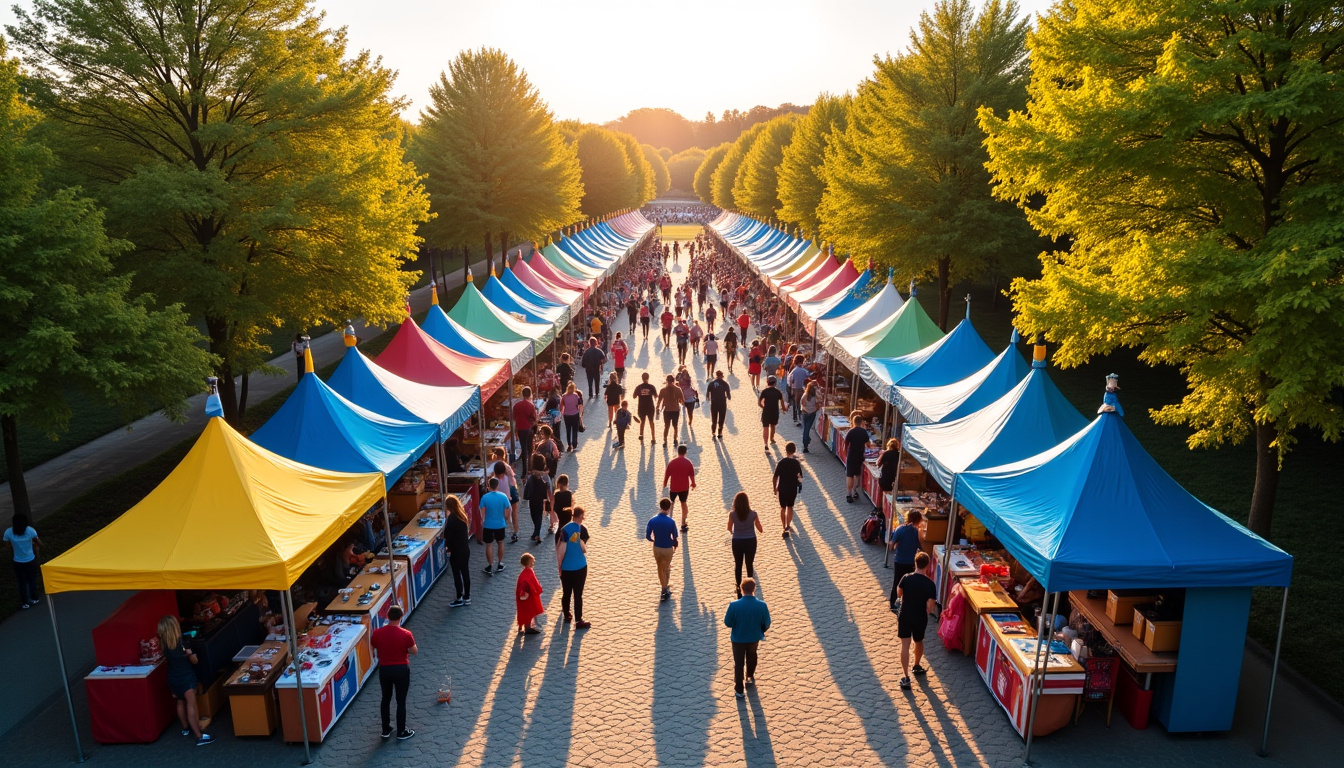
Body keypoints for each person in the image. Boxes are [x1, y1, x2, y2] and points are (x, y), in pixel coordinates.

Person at [158, 615, 214, 746]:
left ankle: (185, 729)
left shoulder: (163, 644)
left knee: (180, 701)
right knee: (191, 704)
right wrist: (191, 655)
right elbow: (194, 660)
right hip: (186, 677)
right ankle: (199, 736)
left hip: (173, 678)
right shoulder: (182, 641)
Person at [371, 605, 417, 739]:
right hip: (401, 669)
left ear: (387, 616)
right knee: (400, 700)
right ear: (401, 617)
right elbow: (414, 651)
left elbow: (373, 647)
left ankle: (385, 729)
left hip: (384, 669)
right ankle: (401, 731)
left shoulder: (378, 633)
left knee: (385, 698)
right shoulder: (406, 634)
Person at [723, 577, 771, 699]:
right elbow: (767, 623)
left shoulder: (734, 605)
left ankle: (739, 690)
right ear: (754, 589)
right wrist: (760, 630)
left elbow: (727, 622)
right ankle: (749, 676)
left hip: (738, 639)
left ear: (741, 589)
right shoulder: (762, 605)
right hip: (754, 637)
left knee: (738, 663)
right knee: (752, 656)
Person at [896, 551, 938, 690]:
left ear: (915, 563)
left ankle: (905, 677)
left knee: (905, 645)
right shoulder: (930, 584)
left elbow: (899, 593)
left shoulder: (906, 578)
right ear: (928, 566)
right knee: (919, 641)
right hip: (920, 617)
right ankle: (917, 665)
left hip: (905, 615)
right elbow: (931, 607)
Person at [556, 506, 591, 629]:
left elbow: (562, 549)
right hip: (580, 566)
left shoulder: (565, 529)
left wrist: (559, 565)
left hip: (567, 568)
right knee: (578, 594)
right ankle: (579, 620)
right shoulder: (581, 529)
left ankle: (566, 614)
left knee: (566, 592)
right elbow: (583, 548)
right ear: (580, 516)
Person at [727, 492, 763, 595]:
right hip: (750, 541)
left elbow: (729, 528)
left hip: (737, 542)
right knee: (749, 564)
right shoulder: (753, 514)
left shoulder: (732, 514)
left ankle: (739, 587)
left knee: (738, 565)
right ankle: (750, 589)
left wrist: (735, 532)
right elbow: (760, 529)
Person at [645, 498, 680, 602]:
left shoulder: (652, 520)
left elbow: (648, 536)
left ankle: (663, 587)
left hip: (657, 547)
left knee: (660, 567)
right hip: (668, 548)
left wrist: (654, 540)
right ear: (669, 508)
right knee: (666, 568)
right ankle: (665, 589)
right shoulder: (671, 522)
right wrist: (674, 544)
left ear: (660, 506)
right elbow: (675, 537)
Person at [888, 510, 924, 612]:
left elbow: (891, 545)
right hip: (911, 561)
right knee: (909, 583)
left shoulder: (900, 529)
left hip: (899, 560)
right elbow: (922, 546)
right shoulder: (918, 532)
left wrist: (895, 546)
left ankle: (893, 603)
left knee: (897, 582)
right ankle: (906, 604)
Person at [5, 514, 41, 609]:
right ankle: (34, 598)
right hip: (30, 560)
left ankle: (24, 602)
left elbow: (6, 544)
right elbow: (39, 543)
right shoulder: (30, 530)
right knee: (31, 580)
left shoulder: (8, 532)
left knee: (21, 582)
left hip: (17, 561)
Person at [662, 443, 697, 531]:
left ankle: (668, 520)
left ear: (678, 452)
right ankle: (683, 523)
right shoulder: (688, 463)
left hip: (674, 487)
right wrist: (693, 484)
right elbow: (692, 475)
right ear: (685, 452)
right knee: (683, 503)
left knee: (671, 504)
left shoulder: (672, 462)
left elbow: (667, 474)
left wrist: (665, 483)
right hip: (684, 488)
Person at [444, 496, 471, 608]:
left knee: (456, 574)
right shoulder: (462, 516)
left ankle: (459, 596)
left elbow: (448, 537)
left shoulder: (452, 519)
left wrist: (447, 546)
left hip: (456, 551)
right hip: (464, 549)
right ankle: (467, 596)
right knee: (465, 573)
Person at [480, 477, 511, 575]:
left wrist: (483, 520)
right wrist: (505, 518)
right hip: (500, 524)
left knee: (489, 545)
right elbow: (508, 509)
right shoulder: (503, 496)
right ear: (497, 486)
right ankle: (500, 563)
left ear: (488, 486)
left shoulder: (485, 498)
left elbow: (482, 511)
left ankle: (490, 565)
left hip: (488, 525)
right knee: (500, 543)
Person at [773, 443, 803, 538]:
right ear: (794, 451)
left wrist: (774, 488)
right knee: (790, 507)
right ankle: (788, 525)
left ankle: (783, 526)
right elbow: (800, 476)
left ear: (786, 450)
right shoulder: (796, 463)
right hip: (792, 488)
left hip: (782, 488)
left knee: (783, 508)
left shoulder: (781, 462)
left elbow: (775, 476)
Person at [523, 455, 554, 543]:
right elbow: (549, 487)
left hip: (533, 498)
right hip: (539, 498)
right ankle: (536, 532)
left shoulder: (534, 475)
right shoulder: (542, 475)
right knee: (537, 515)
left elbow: (528, 485)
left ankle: (536, 533)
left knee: (535, 515)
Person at [491, 453, 520, 543]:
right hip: (510, 496)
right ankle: (513, 532)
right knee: (511, 514)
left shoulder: (498, 478)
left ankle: (510, 532)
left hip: (507, 497)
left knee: (507, 514)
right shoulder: (507, 472)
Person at [844, 413, 872, 503]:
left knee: (850, 475)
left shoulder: (851, 432)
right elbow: (868, 444)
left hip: (851, 455)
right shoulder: (864, 432)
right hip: (860, 455)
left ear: (853, 422)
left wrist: (846, 454)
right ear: (861, 422)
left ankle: (848, 494)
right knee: (857, 475)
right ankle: (855, 491)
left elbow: (846, 444)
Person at [516, 553, 544, 635]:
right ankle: (527, 627)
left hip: (523, 595)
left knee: (523, 610)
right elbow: (534, 582)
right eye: (532, 561)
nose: (533, 563)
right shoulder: (529, 572)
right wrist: (538, 589)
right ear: (528, 562)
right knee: (530, 610)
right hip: (529, 596)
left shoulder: (523, 573)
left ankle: (522, 625)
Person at [758, 376, 787, 453]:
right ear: (775, 383)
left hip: (766, 411)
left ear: (768, 382)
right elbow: (782, 404)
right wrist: (784, 409)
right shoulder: (778, 392)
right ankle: (772, 439)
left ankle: (766, 444)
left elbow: (759, 403)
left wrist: (763, 407)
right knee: (773, 426)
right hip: (774, 411)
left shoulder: (764, 391)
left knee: (765, 428)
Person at [657, 374, 685, 445]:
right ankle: (675, 439)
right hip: (675, 410)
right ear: (674, 380)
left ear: (666, 381)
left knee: (666, 426)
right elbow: (682, 401)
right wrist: (678, 401)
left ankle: (665, 441)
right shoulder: (678, 389)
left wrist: (657, 408)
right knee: (675, 426)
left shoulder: (663, 390)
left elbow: (659, 401)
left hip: (667, 411)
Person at [513, 386, 538, 465]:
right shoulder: (531, 406)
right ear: (530, 394)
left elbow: (514, 418)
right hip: (528, 428)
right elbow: (534, 418)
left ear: (522, 394)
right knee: (529, 448)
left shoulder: (516, 405)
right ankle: (530, 466)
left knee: (523, 448)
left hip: (520, 429)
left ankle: (524, 470)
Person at [633, 372, 659, 443]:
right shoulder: (651, 387)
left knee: (642, 422)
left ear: (642, 378)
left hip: (641, 406)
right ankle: (653, 438)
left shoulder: (639, 387)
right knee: (651, 422)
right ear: (648, 378)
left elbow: (634, 396)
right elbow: (656, 396)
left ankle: (641, 436)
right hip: (650, 406)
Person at [706, 370, 731, 439]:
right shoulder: (725, 384)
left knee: (714, 419)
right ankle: (720, 432)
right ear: (722, 376)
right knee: (721, 419)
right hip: (722, 403)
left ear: (716, 376)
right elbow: (729, 396)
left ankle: (713, 432)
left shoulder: (711, 383)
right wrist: (728, 397)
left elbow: (708, 393)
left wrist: (709, 398)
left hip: (714, 403)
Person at [877, 437, 902, 508]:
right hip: (894, 476)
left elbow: (878, 464)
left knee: (884, 493)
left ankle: (882, 507)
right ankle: (888, 508)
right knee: (890, 493)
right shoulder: (899, 455)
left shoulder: (886, 453)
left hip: (885, 476)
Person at [560, 382, 584, 451]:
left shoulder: (564, 396)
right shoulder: (576, 396)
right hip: (574, 414)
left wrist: (562, 412)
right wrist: (580, 413)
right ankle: (574, 443)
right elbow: (580, 404)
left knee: (568, 430)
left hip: (567, 415)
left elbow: (561, 406)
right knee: (574, 429)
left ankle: (569, 445)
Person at [787, 356, 809, 426]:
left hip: (795, 389)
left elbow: (790, 381)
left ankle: (796, 419)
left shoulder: (793, 371)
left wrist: (791, 390)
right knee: (802, 404)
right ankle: (801, 418)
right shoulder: (805, 371)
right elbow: (808, 379)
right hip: (803, 390)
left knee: (795, 404)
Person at [799, 381, 821, 454]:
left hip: (805, 413)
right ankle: (806, 443)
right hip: (812, 414)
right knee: (807, 429)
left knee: (805, 429)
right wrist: (814, 410)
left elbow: (802, 404)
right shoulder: (815, 397)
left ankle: (806, 443)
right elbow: (818, 406)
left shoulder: (804, 396)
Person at [552, 474, 574, 540]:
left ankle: (559, 541)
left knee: (560, 527)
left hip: (560, 515)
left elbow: (555, 507)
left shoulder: (557, 494)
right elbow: (570, 505)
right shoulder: (569, 493)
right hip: (568, 515)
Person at [676, 366, 698, 432]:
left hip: (683, 397)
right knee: (690, 412)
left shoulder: (681, 378)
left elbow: (677, 380)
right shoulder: (688, 379)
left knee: (684, 407)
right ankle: (690, 421)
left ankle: (687, 419)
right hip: (690, 398)